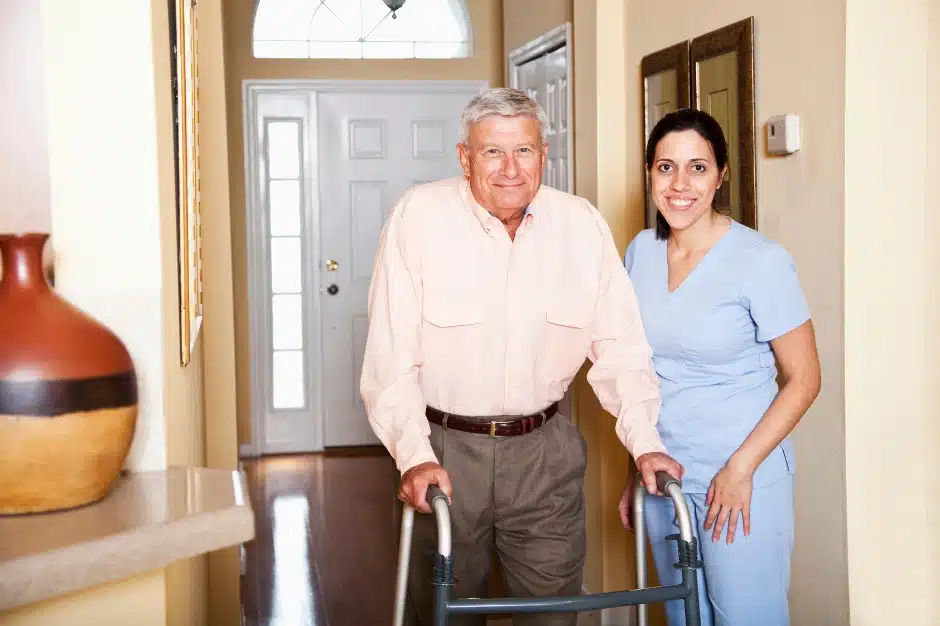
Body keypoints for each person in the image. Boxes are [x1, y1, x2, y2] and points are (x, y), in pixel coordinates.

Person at [359, 87, 683, 626]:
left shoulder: (579, 225)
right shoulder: (418, 218)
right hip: (444, 450)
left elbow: (621, 351)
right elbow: (389, 360)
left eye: (525, 151)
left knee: (555, 611)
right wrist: (414, 455)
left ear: (544, 154)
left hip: (543, 456)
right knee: (442, 610)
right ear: (465, 157)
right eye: (492, 152)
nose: (511, 169)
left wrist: (645, 444)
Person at [618, 108, 821, 626]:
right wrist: (639, 462)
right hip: (665, 478)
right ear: (649, 173)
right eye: (666, 167)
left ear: (721, 175)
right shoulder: (640, 252)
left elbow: (804, 379)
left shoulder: (761, 261)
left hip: (740, 478)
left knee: (745, 619)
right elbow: (639, 370)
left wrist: (740, 468)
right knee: (684, 617)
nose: (680, 184)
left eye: (697, 167)